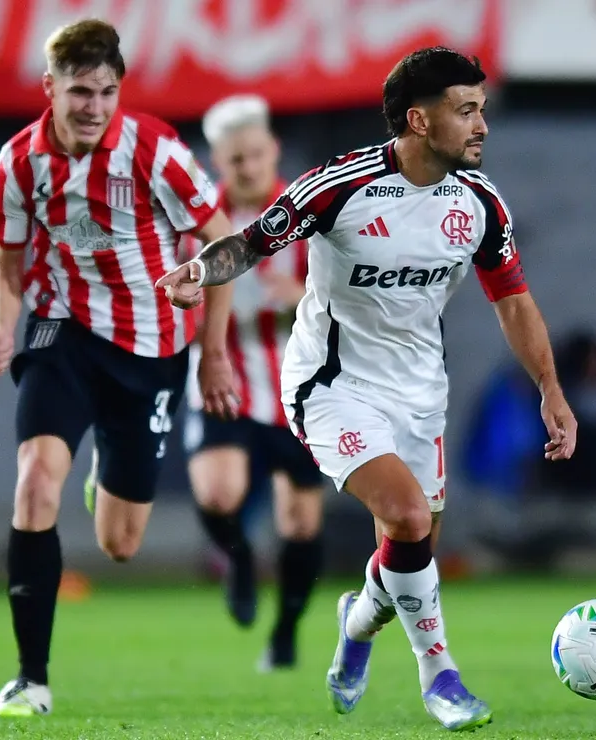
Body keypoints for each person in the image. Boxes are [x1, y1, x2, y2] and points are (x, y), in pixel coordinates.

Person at [157, 47, 577, 732]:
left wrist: (550, 389)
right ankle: (440, 676)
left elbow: (513, 302)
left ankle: (355, 624)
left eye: (481, 110)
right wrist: (200, 271)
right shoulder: (339, 186)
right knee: (408, 521)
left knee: (410, 552)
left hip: (419, 395)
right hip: (331, 387)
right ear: (418, 118)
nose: (482, 126)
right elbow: (251, 243)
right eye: (466, 110)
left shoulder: (479, 202)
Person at [0, 19, 238, 718]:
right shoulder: (20, 161)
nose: (93, 106)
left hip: (149, 349)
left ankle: (106, 478)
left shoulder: (154, 151)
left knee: (120, 544)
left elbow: (228, 248)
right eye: (79, 91)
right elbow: (6, 265)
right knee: (33, 483)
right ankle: (31, 680)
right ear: (49, 89)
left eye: (106, 91)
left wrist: (211, 354)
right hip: (59, 332)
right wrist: (4, 331)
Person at [182, 94, 325, 671]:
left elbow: (356, 296)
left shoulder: (308, 214)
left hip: (298, 387)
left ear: (273, 150)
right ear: (218, 160)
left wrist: (308, 298)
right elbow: (171, 296)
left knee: (301, 524)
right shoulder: (197, 223)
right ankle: (238, 557)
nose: (247, 168)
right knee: (217, 494)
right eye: (235, 159)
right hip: (224, 379)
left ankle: (286, 630)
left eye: (256, 155)